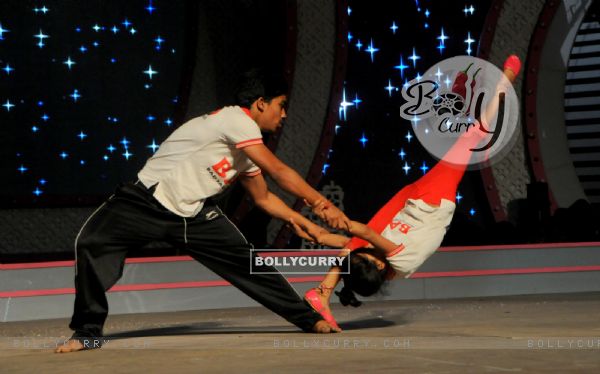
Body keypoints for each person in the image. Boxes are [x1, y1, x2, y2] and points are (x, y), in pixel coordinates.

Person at [55, 71, 350, 353]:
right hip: (145, 203)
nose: (283, 114)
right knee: (91, 243)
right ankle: (87, 333)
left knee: (249, 265)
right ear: (261, 102)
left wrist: (301, 222)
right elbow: (278, 171)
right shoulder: (236, 119)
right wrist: (321, 204)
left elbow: (263, 197)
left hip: (193, 215)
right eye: (281, 106)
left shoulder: (247, 145)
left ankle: (309, 319)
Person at [293, 56, 522, 330]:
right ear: (379, 268)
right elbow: (364, 233)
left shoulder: (375, 264)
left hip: (409, 204)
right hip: (433, 204)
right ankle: (504, 83)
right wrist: (326, 210)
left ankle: (321, 293)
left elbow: (353, 245)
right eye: (368, 258)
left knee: (348, 250)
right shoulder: (401, 261)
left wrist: (316, 232)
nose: (366, 254)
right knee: (472, 136)